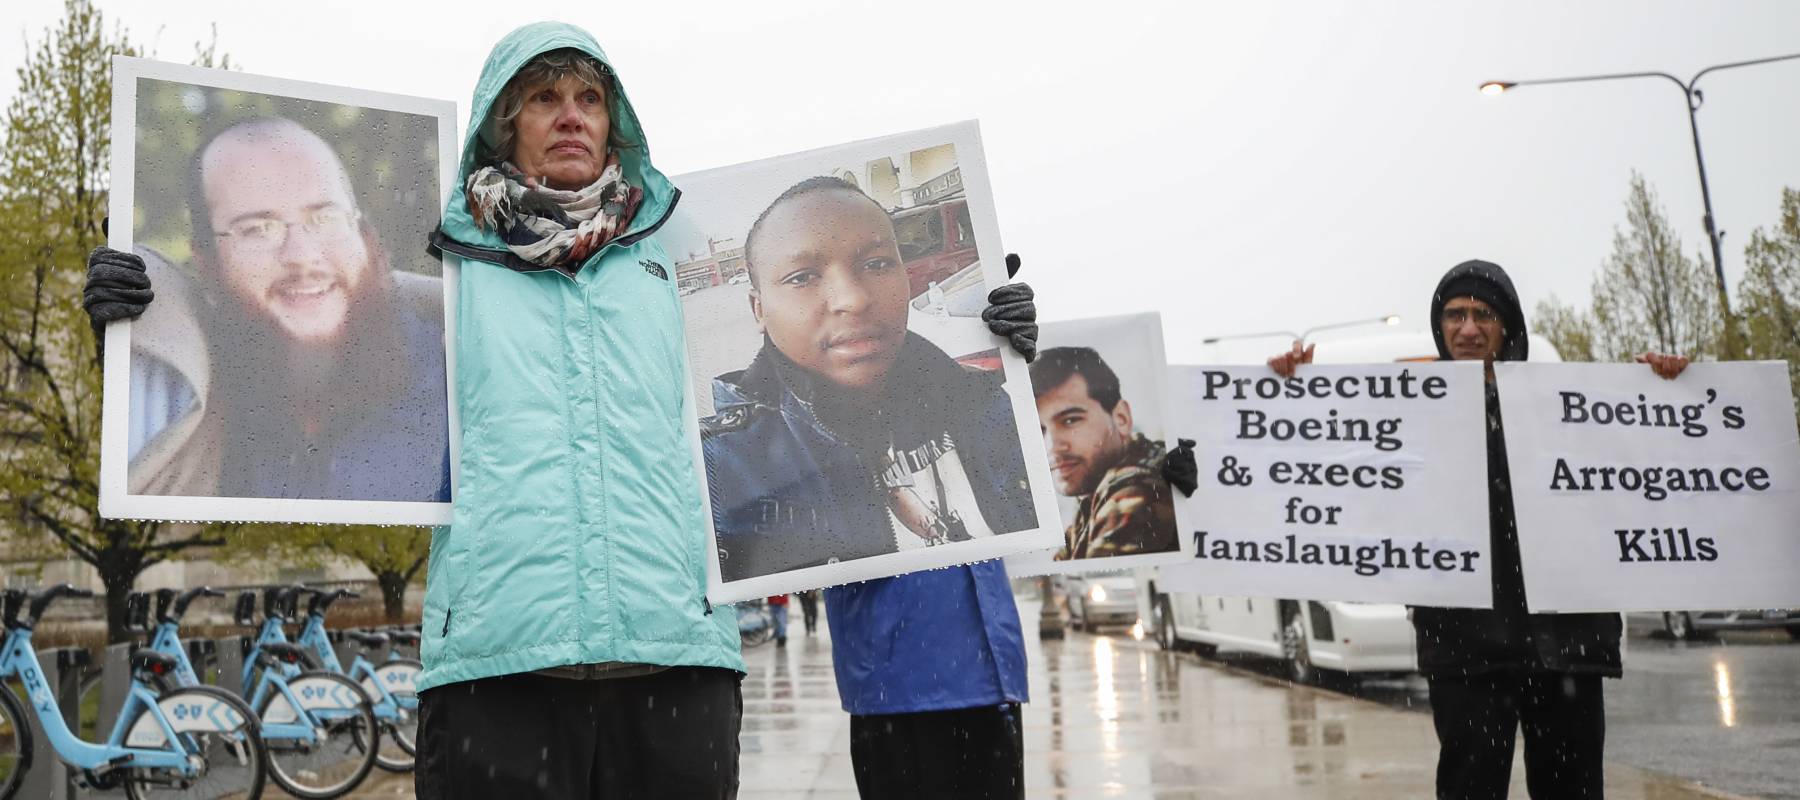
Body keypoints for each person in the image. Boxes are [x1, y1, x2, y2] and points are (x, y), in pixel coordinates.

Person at [1268, 258, 1689, 800]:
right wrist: (1293, 389)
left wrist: (1662, 389)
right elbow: (1325, 469)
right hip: (1466, 649)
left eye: (1483, 314)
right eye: (1455, 314)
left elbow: (1648, 467)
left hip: (1567, 646)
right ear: (1439, 326)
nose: (1468, 328)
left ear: (1508, 325)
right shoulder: (1404, 412)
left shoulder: (1567, 404)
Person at [84, 117, 449, 502]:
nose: (302, 256)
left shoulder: (463, 384)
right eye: (258, 229)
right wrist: (104, 351)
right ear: (207, 261)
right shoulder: (183, 404)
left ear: (363, 234)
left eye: (325, 218)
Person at [702, 176, 1040, 582]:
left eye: (877, 264)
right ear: (759, 310)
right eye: (802, 277)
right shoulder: (717, 472)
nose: (854, 299)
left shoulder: (984, 403)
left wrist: (1038, 382)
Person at [1030, 346, 1179, 560]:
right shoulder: (1095, 494)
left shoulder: (1136, 492)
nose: (1052, 447)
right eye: (1038, 430)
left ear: (1121, 418)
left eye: (1070, 420)